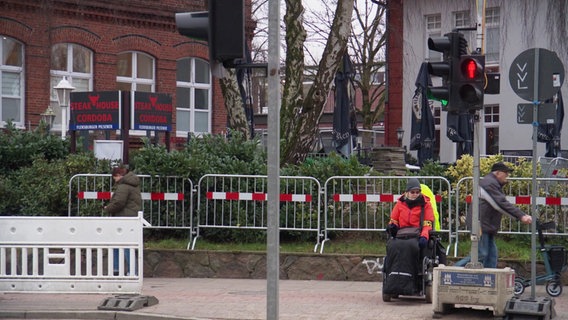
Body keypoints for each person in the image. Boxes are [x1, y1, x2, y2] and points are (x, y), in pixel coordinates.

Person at [454, 162, 532, 268]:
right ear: (498, 173)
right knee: (482, 253)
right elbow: (500, 203)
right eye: (506, 173)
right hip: (480, 224)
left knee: (491, 256)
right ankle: (452, 270)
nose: (507, 176)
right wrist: (521, 216)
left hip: (486, 225)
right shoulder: (489, 184)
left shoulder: (491, 182)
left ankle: (489, 280)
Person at [383, 178, 435, 295]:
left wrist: (424, 236)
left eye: (417, 192)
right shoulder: (400, 204)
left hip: (417, 235)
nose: (415, 195)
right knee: (392, 246)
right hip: (401, 234)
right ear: (406, 192)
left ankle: (411, 282)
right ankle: (393, 280)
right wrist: (392, 227)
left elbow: (428, 224)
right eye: (412, 192)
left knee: (411, 247)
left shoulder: (425, 205)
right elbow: (394, 220)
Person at [103, 166, 142, 275]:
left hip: (123, 218)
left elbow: (119, 203)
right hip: (130, 217)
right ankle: (122, 269)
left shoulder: (123, 186)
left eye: (114, 177)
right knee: (123, 244)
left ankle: (125, 270)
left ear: (118, 175)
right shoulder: (133, 184)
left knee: (123, 245)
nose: (114, 180)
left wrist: (108, 208)